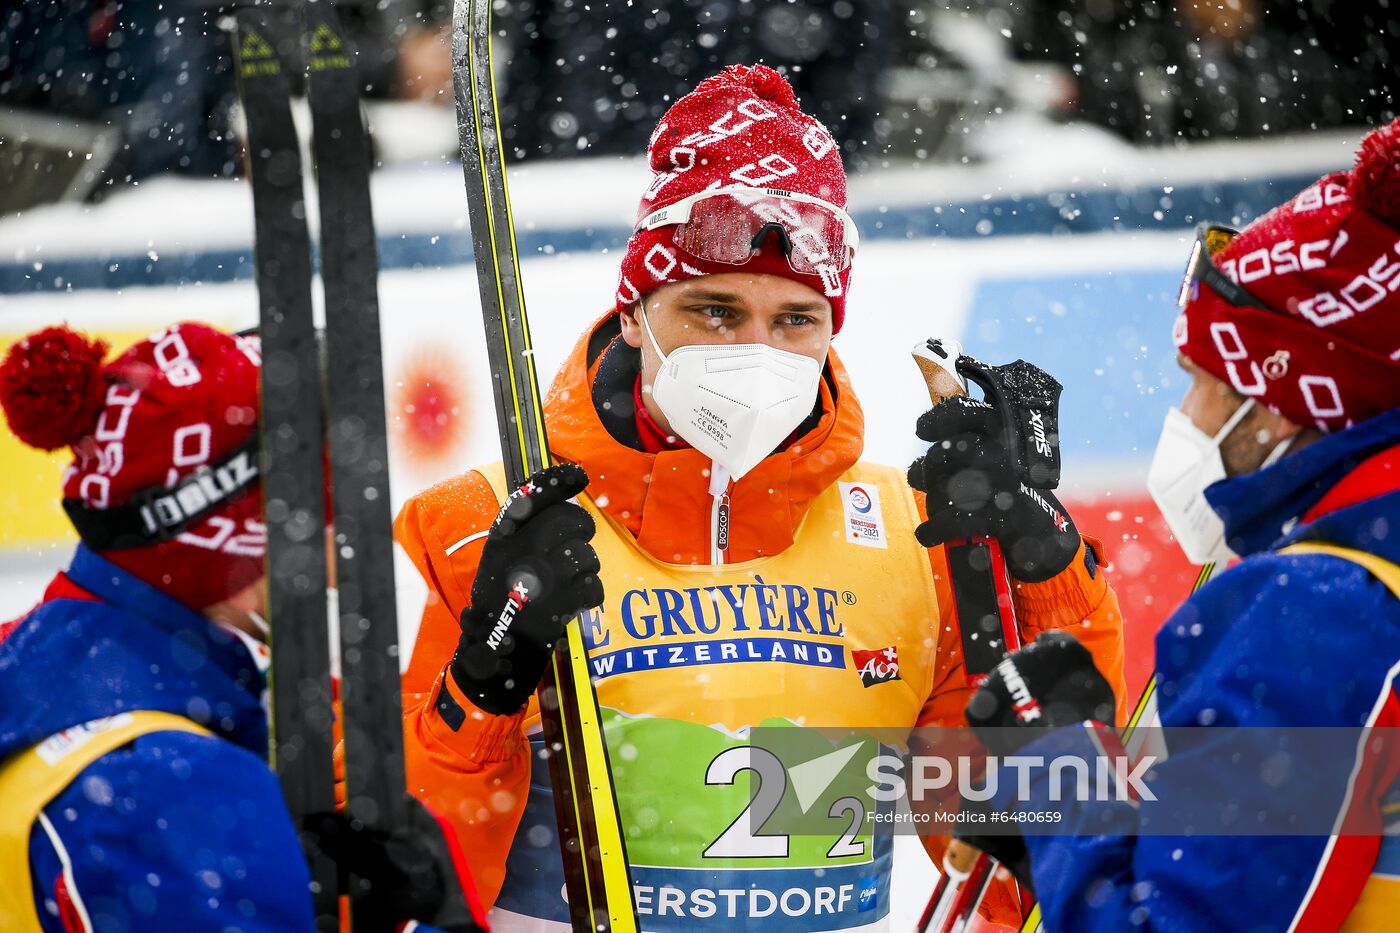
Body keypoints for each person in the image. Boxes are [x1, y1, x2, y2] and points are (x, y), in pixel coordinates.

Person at [393, 63, 1126, 930]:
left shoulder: (911, 537)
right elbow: (405, 880)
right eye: (713, 311)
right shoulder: (489, 522)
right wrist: (480, 688)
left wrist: (1048, 580)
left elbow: (1019, 889)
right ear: (634, 313)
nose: (757, 351)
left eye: (794, 321)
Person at [951, 117, 1400, 929]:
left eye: (1200, 381)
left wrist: (1056, 762)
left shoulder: (1320, 604)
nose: (1186, 414)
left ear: (1283, 399)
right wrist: (1066, 849)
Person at [0, 323, 483, 932]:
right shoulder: (173, 789)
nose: (335, 567)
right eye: (324, 523)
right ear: (230, 540)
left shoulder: (35, 667)